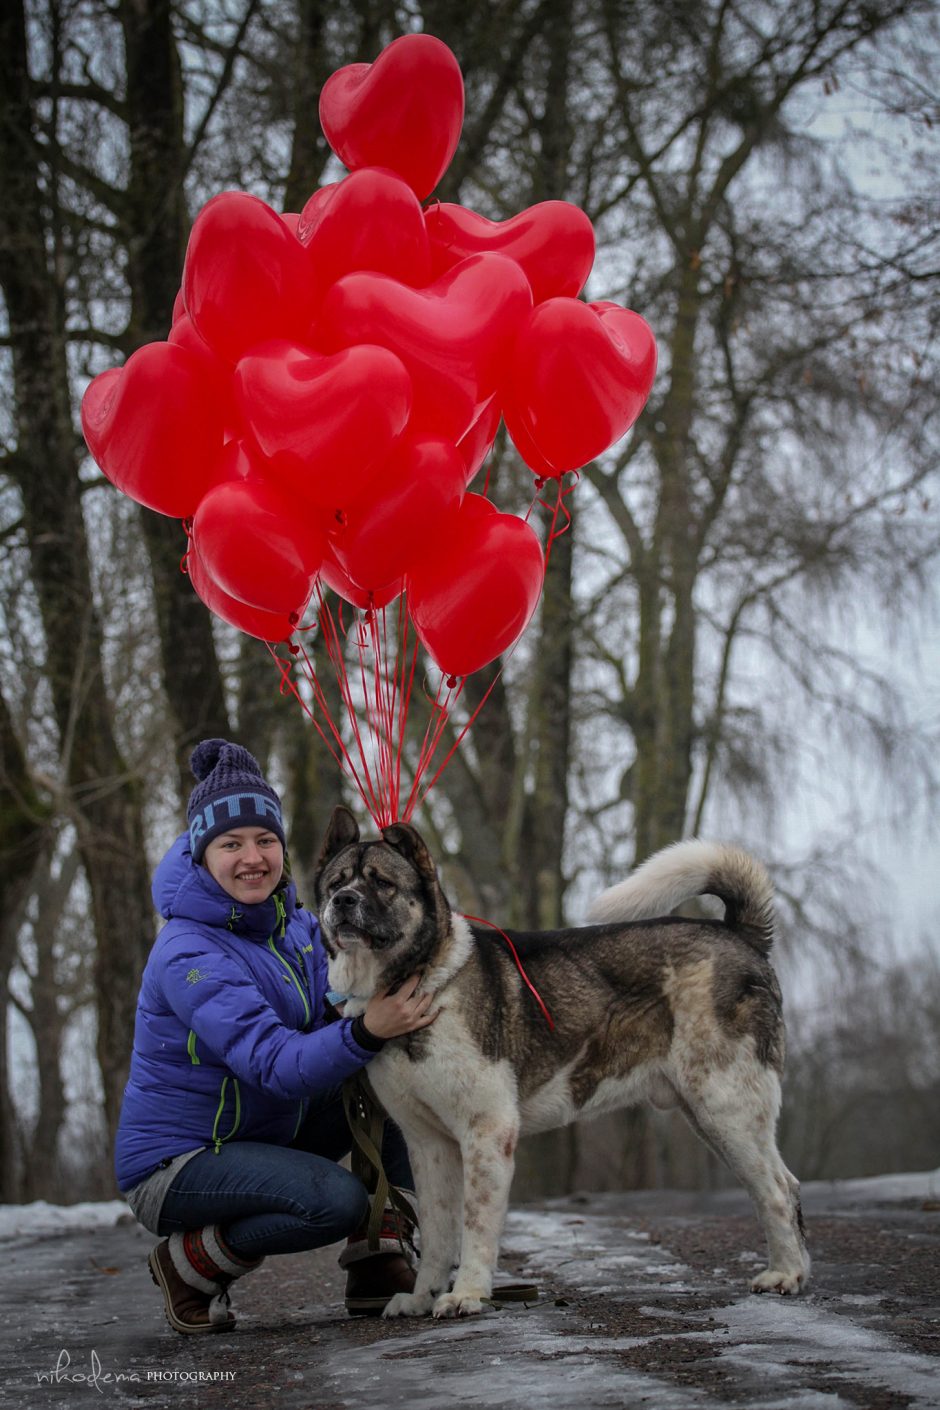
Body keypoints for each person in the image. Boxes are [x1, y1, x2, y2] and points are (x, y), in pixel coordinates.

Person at [114, 738, 436, 1335]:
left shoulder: (296, 926)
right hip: (179, 1165)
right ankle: (188, 1263)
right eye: (230, 844)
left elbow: (334, 1012)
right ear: (201, 855)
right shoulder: (188, 951)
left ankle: (378, 1257)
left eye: (265, 840)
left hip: (268, 1131)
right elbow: (276, 1063)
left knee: (394, 1074)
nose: (252, 857)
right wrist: (368, 1028)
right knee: (332, 1200)